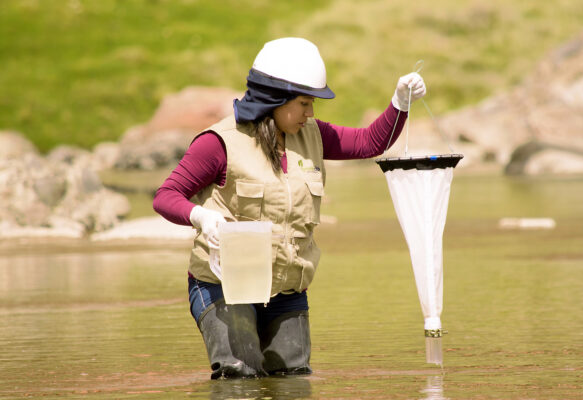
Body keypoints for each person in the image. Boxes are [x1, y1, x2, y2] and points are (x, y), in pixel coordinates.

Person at [153, 37, 425, 379]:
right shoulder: (218, 143)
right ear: (274, 100)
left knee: (294, 379)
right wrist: (200, 215)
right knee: (240, 378)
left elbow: (371, 142)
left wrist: (400, 102)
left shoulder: (313, 135)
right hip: (223, 286)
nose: (310, 112)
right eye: (304, 103)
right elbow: (166, 195)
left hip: (285, 290)